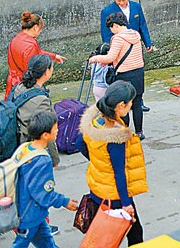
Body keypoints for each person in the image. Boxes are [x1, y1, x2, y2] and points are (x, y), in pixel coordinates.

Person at [79, 81, 148, 246]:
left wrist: (99, 160)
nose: (132, 105)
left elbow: (79, 144)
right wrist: (126, 203)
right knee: (133, 234)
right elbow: (119, 172)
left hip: (97, 188)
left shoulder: (95, 120)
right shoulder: (116, 135)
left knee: (102, 235)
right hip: (114, 195)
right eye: (131, 102)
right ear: (121, 105)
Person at [12, 111, 78, 248]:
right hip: (28, 215)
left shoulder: (25, 148)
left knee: (46, 242)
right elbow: (43, 193)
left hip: (30, 210)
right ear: (45, 135)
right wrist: (64, 201)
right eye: (55, 128)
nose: (58, 130)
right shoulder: (42, 160)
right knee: (20, 244)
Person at [90, 13, 147, 139]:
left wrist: (95, 58)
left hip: (124, 75)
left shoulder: (118, 38)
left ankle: (125, 132)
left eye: (111, 27)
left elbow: (111, 57)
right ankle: (139, 132)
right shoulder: (135, 35)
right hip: (138, 73)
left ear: (115, 25)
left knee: (122, 104)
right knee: (137, 103)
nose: (111, 31)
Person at [11, 54, 60, 166]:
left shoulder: (20, 87)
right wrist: (54, 160)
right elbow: (47, 131)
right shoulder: (41, 100)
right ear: (46, 72)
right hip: (32, 150)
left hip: (19, 142)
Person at [7, 12, 65, 99]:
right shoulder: (31, 44)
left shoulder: (16, 39)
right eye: (40, 29)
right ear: (35, 27)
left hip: (12, 82)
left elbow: (36, 53)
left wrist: (53, 56)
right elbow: (32, 67)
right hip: (24, 86)